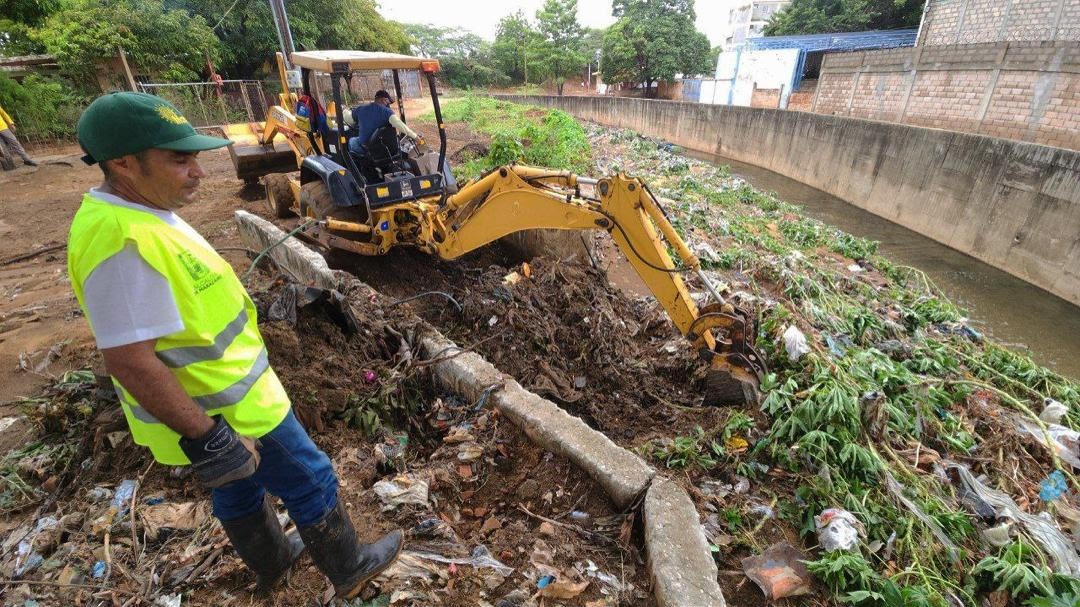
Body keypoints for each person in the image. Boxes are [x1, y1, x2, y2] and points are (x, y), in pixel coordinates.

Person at [67, 92, 402, 599]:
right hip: (227, 408)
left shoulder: (140, 214)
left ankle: (274, 561)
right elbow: (129, 362)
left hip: (218, 399)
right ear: (122, 163)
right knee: (311, 478)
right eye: (179, 160)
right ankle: (351, 567)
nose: (198, 172)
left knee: (237, 487)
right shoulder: (122, 243)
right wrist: (210, 439)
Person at [346, 89, 422, 159]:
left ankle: (358, 168)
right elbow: (400, 125)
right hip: (382, 147)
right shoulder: (387, 112)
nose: (388, 106)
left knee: (351, 140)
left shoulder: (361, 109)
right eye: (387, 103)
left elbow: (348, 119)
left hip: (367, 147)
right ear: (383, 100)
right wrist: (415, 137)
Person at [0, 103, 38, 167]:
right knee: (2, 149)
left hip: (3, 128)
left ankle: (26, 159)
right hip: (3, 128)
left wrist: (11, 123)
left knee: (15, 142)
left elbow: (3, 113)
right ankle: (9, 165)